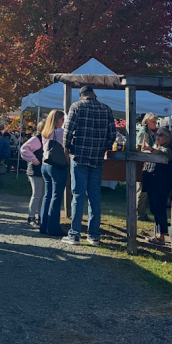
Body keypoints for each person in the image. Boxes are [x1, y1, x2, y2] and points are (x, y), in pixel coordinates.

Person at [63, 86, 116, 246]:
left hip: (79, 156)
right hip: (97, 158)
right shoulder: (106, 109)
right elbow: (112, 135)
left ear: (81, 96)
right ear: (94, 94)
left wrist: (68, 147)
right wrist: (102, 148)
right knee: (95, 196)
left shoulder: (77, 106)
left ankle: (75, 234)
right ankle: (94, 235)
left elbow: (68, 130)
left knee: (78, 195)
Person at [143, 127, 172, 244]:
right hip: (153, 183)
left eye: (161, 134)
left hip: (162, 184)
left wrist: (150, 149)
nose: (157, 136)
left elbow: (162, 154)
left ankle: (161, 236)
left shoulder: (167, 150)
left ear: (167, 138)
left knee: (160, 209)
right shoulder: (158, 148)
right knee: (153, 209)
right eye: (156, 134)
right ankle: (157, 234)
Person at [37, 109, 67, 237]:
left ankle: (44, 225)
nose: (63, 121)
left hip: (45, 164)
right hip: (57, 165)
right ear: (57, 120)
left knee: (47, 195)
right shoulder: (60, 132)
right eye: (62, 119)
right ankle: (53, 227)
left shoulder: (45, 132)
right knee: (56, 196)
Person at [20, 129, 45, 227]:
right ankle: (31, 217)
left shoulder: (43, 138)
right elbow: (24, 149)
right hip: (35, 170)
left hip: (40, 170)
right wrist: (34, 160)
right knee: (37, 194)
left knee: (42, 195)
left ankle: (40, 216)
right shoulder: (37, 139)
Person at [136, 112, 158, 219]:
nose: (155, 123)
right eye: (153, 121)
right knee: (141, 189)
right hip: (143, 163)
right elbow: (141, 148)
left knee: (144, 189)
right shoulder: (144, 132)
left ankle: (142, 212)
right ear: (147, 121)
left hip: (147, 163)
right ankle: (139, 214)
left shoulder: (150, 132)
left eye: (156, 121)